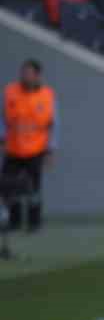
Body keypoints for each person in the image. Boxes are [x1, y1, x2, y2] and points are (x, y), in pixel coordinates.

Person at [3, 60, 55, 232]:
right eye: (23, 72)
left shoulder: (47, 95)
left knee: (34, 188)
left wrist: (50, 149)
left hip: (36, 149)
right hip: (13, 148)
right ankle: (14, 221)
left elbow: (53, 124)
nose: (25, 76)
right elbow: (3, 118)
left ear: (38, 75)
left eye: (29, 73)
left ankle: (34, 222)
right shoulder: (10, 92)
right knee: (9, 187)